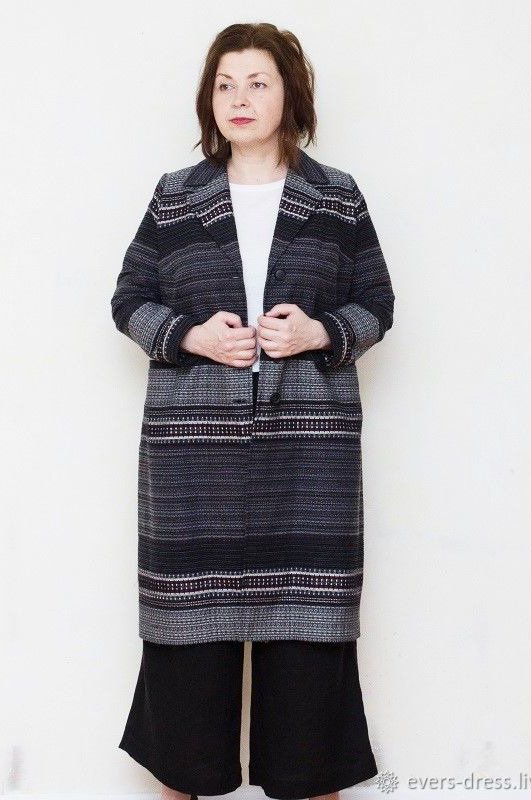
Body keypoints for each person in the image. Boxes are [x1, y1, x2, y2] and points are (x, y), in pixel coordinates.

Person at [111, 21, 395, 800]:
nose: (239, 98)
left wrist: (319, 332)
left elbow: (377, 302)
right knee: (186, 683)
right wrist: (189, 336)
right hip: (192, 466)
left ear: (289, 96)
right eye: (225, 84)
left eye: (258, 82)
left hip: (307, 462)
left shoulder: (335, 197)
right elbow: (129, 299)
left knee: (309, 684)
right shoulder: (177, 196)